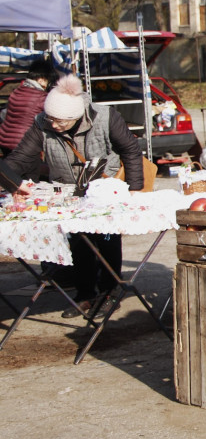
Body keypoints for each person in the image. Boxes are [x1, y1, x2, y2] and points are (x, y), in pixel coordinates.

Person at [0, 74, 143, 318]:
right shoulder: (42, 123)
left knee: (106, 240)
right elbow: (21, 157)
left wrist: (135, 189)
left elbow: (130, 149)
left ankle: (110, 292)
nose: (53, 125)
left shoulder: (106, 117)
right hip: (68, 191)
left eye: (59, 122)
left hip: (104, 191)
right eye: (51, 120)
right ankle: (85, 293)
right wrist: (12, 182)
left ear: (75, 117)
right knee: (78, 243)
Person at [0, 60, 56, 156]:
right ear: (41, 79)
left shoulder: (17, 91)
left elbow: (3, 114)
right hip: (24, 145)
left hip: (5, 142)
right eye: (48, 80)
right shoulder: (41, 97)